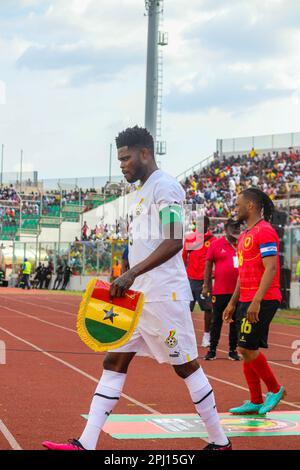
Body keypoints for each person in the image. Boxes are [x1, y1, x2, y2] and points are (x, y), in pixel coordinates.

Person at [43, 125, 231, 451]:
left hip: (164, 295)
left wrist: (132, 275)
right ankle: (86, 443)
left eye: (126, 158)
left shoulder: (166, 186)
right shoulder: (140, 193)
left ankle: (219, 440)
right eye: (119, 160)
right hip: (138, 296)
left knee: (186, 366)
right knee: (113, 361)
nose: (122, 165)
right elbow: (143, 244)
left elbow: (173, 241)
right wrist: (126, 272)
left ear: (145, 153)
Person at [223, 187, 286, 415]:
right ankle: (256, 400)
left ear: (250, 206)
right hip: (246, 300)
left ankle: (275, 389)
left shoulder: (265, 232)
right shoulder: (244, 236)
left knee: (245, 347)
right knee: (246, 349)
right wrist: (232, 302)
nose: (235, 208)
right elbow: (242, 274)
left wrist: (257, 301)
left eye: (238, 204)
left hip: (263, 299)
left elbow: (270, 268)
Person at [203, 219, 241, 361]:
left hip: (238, 292)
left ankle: (233, 350)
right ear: (226, 228)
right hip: (220, 290)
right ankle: (212, 350)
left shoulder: (243, 244)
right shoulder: (216, 244)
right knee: (216, 321)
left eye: (238, 227)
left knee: (236, 321)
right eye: (233, 227)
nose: (236, 229)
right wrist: (206, 285)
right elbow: (208, 265)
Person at [182, 216, 217, 347]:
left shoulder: (213, 240)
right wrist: (183, 275)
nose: (198, 227)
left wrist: (213, 276)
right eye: (197, 224)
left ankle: (206, 335)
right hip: (190, 279)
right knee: (186, 309)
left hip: (205, 281)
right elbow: (183, 256)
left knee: (208, 309)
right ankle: (185, 336)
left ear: (207, 225)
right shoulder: (191, 238)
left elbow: (217, 259)